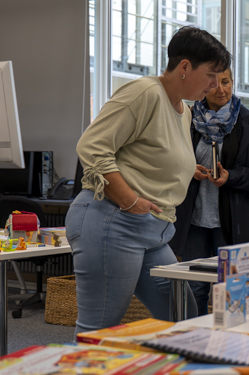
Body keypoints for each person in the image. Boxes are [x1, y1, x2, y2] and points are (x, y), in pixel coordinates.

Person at [66, 26, 231, 335]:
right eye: (210, 75)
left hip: (153, 231)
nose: (213, 85)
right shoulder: (144, 92)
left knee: (184, 320)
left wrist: (184, 169)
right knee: (99, 330)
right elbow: (91, 147)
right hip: (113, 221)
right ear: (184, 67)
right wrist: (129, 199)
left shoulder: (182, 109)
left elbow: (154, 153)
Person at [169, 67, 249, 315]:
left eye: (226, 82)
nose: (221, 89)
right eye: (215, 83)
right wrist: (187, 169)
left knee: (232, 290)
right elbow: (170, 159)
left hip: (233, 222)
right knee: (195, 288)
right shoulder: (186, 118)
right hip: (193, 221)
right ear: (204, 86)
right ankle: (195, 344)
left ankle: (230, 347)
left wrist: (231, 177)